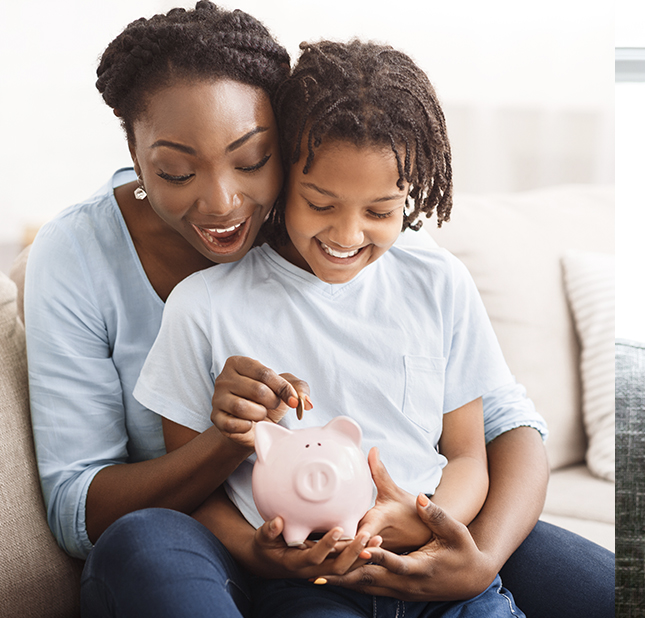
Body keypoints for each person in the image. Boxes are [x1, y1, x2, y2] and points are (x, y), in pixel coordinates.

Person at [22, 3, 612, 617]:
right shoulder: (99, 261)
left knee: (605, 592)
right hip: (223, 541)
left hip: (408, 521)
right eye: (175, 169)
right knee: (146, 543)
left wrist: (476, 555)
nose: (224, 202)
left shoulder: (378, 241)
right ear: (135, 153)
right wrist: (235, 453)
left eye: (252, 160)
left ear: (288, 137)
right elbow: (75, 501)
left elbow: (493, 424)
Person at [134, 38, 524, 617]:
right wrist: (261, 553)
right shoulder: (205, 307)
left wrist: (427, 519)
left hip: (438, 573)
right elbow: (194, 492)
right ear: (283, 176)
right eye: (320, 204)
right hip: (309, 586)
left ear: (409, 199)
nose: (346, 236)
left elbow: (468, 456)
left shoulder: (438, 282)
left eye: (380, 212)